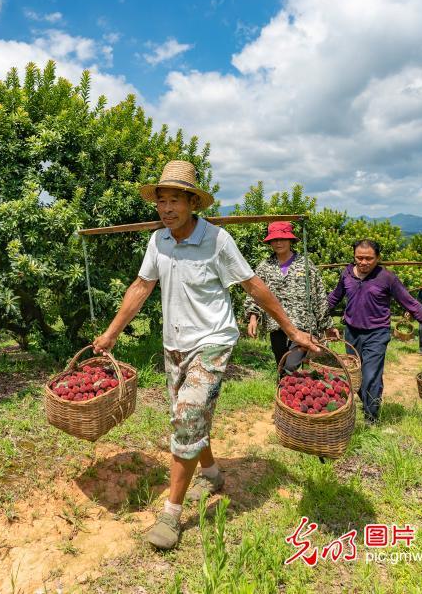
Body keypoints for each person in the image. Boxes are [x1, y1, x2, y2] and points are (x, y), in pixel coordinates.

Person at [92, 160, 320, 550]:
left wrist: (290, 328)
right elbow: (141, 285)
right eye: (160, 201)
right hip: (174, 345)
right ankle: (211, 473)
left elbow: (253, 285)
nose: (166, 209)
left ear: (192, 202)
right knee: (189, 416)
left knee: (186, 419)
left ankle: (171, 515)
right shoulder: (158, 241)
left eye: (174, 201)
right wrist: (112, 332)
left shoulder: (217, 240)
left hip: (213, 340)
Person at [327, 240, 422, 424]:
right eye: (359, 258)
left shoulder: (387, 278)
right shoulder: (347, 274)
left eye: (369, 258)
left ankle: (372, 418)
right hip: (352, 333)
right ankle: (368, 403)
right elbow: (333, 298)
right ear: (354, 256)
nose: (363, 262)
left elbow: (410, 303)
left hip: (377, 334)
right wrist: (316, 315)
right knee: (356, 375)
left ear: (378, 258)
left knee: (371, 375)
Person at [245, 221, 338, 366]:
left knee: (291, 366)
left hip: (303, 324)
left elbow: (319, 296)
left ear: (290, 240)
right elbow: (255, 292)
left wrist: (327, 325)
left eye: (282, 239)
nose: (278, 243)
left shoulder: (305, 264)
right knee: (281, 366)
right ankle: (286, 388)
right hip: (277, 325)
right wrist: (252, 318)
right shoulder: (265, 267)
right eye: (274, 239)